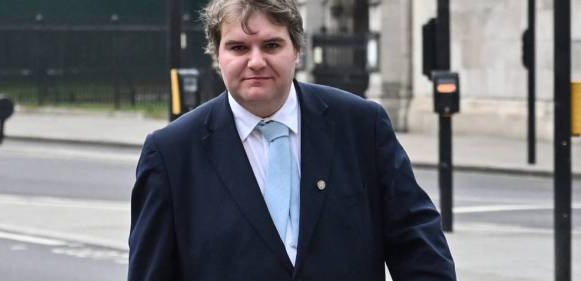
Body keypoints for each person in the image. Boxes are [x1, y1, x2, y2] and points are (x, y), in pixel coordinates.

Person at [128, 0, 456, 280]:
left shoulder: (361, 126)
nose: (256, 61)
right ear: (217, 55)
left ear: (297, 49)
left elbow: (417, 245)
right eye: (238, 47)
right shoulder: (171, 154)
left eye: (271, 45)